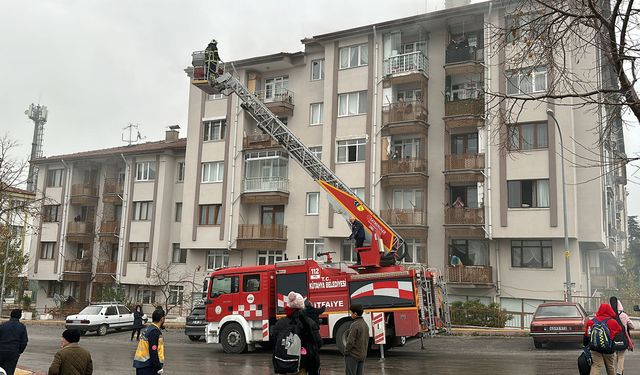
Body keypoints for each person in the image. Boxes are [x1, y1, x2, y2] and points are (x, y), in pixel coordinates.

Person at [272, 292, 322, 375]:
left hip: (281, 366)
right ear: (302, 306)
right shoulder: (309, 322)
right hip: (301, 366)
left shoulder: (279, 323)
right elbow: (318, 343)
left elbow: (274, 342)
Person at [583, 303, 622, 375]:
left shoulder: (591, 321)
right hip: (609, 348)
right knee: (610, 366)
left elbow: (587, 335)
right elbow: (619, 332)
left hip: (595, 347)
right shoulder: (612, 321)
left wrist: (586, 345)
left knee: (596, 366)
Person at [133, 309, 165, 375]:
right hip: (148, 367)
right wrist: (158, 367)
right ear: (162, 319)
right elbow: (153, 351)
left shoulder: (148, 329)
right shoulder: (154, 332)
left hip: (141, 365)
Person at [610, 296, 634, 375]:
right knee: (621, 356)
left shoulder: (610, 316)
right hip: (623, 337)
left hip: (613, 338)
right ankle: (619, 372)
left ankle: (617, 370)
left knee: (616, 354)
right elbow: (632, 326)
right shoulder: (624, 315)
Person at [0, 309, 28, 375]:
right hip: (13, 352)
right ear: (20, 316)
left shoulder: (3, 325)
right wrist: (19, 351)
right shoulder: (22, 327)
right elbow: (24, 342)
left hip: (1, 350)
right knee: (9, 370)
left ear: (11, 315)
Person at [344, 304, 368, 375]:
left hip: (353, 355)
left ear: (355, 314)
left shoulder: (355, 325)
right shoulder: (365, 324)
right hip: (362, 355)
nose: (350, 314)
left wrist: (346, 352)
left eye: (351, 312)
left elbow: (350, 341)